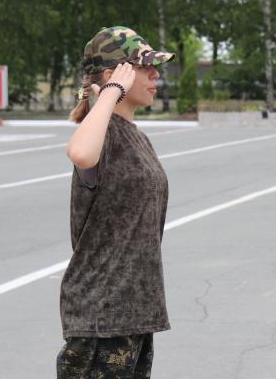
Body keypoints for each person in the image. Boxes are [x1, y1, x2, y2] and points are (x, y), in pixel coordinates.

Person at [58, 26, 175, 379]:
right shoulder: (101, 133)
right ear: (114, 76)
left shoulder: (134, 136)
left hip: (133, 313)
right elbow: (79, 152)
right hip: (100, 319)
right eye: (145, 66)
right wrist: (109, 95)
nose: (155, 74)